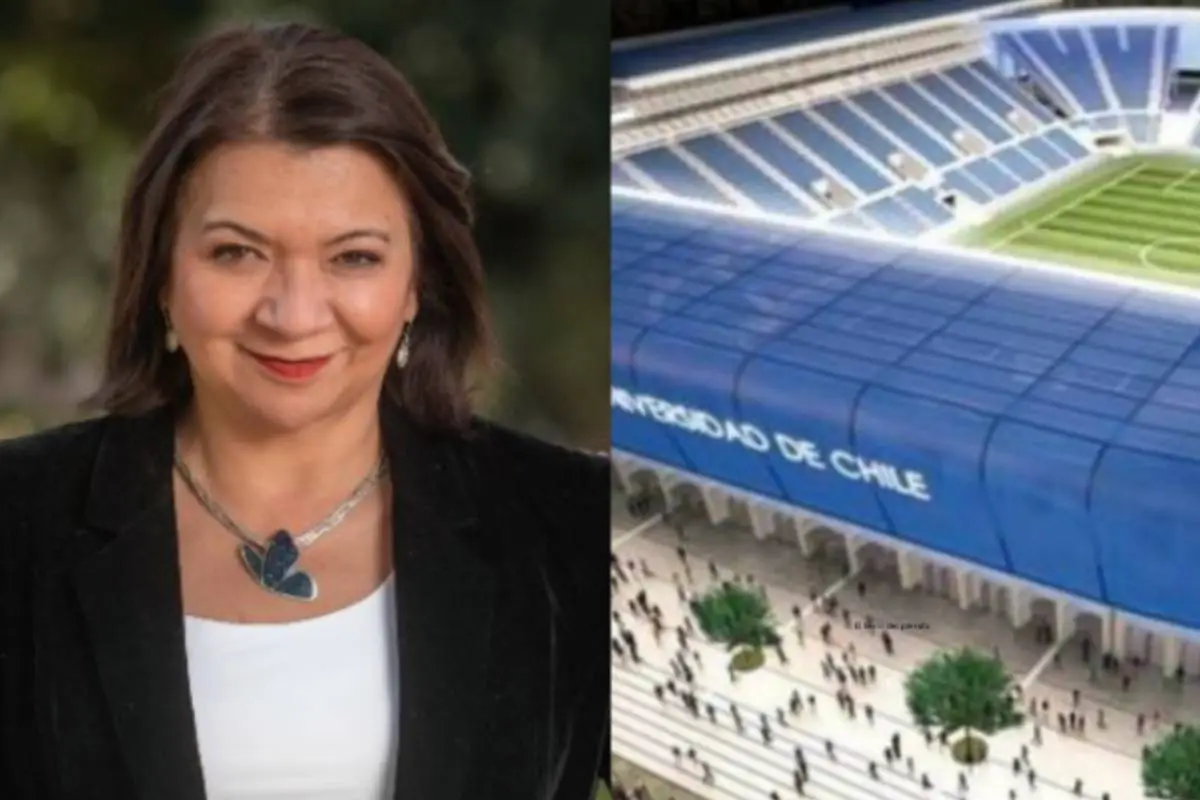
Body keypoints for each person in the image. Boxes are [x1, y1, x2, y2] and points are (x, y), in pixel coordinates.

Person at [0, 21, 608, 800]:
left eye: (353, 257)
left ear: (416, 282)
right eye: (237, 252)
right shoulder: (19, 523)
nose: (293, 313)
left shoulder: (569, 529)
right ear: (160, 276)